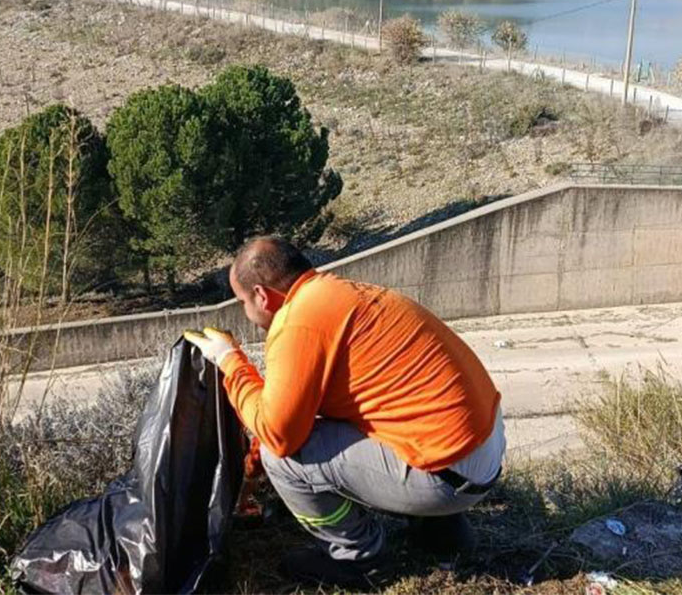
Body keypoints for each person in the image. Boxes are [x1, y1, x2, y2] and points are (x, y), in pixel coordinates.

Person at [185, 236, 505, 589]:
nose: (245, 312)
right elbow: (298, 411)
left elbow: (278, 435)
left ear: (262, 296)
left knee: (284, 458)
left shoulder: (298, 323)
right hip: (481, 453)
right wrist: (250, 470)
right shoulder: (340, 296)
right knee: (355, 418)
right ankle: (442, 530)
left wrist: (231, 362)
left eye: (243, 302)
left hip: (446, 475)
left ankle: (359, 558)